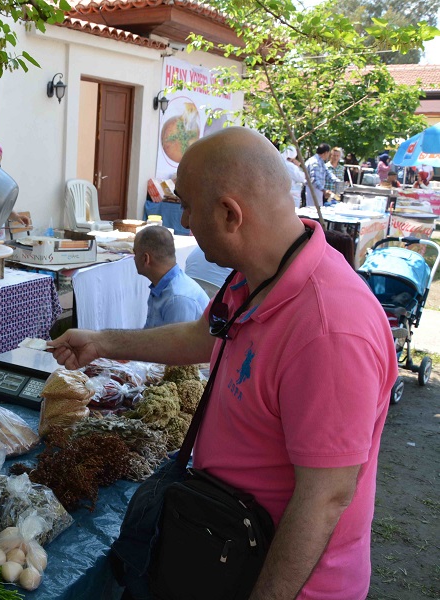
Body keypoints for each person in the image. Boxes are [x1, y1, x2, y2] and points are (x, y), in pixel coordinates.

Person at [50, 127, 396, 599]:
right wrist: (102, 341)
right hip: (220, 545)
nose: (184, 220)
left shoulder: (330, 329)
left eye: (188, 206)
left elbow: (325, 498)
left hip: (280, 581)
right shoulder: (254, 276)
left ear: (231, 214)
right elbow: (201, 337)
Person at [133, 226, 209, 328]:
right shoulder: (163, 285)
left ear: (146, 258)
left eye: (135, 253)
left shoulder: (177, 299)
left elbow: (175, 343)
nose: (134, 258)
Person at [303, 143, 342, 207]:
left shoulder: (320, 161)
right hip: (313, 189)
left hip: (318, 190)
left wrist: (338, 182)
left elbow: (328, 173)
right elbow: (314, 179)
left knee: (319, 208)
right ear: (326, 153)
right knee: (313, 210)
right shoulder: (315, 162)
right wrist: (324, 191)